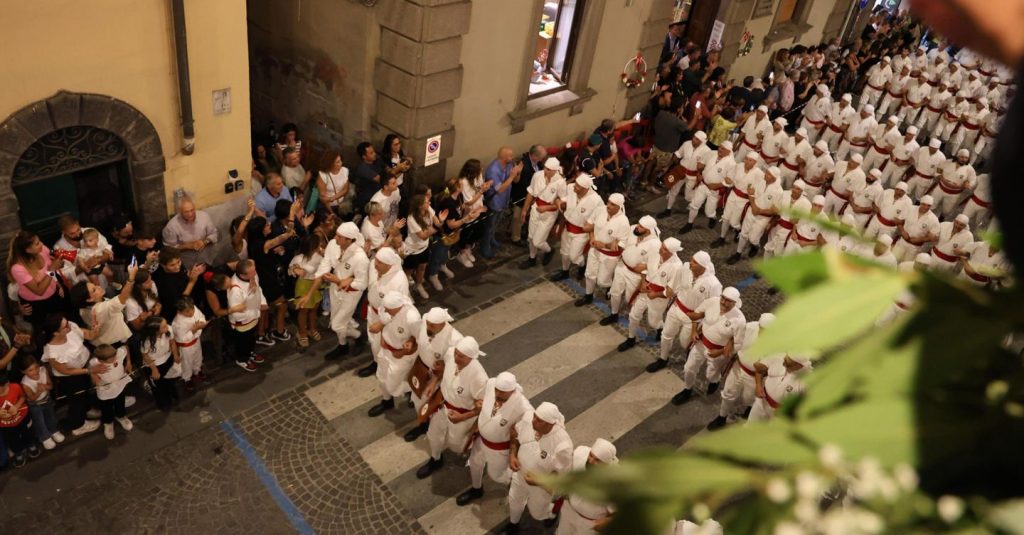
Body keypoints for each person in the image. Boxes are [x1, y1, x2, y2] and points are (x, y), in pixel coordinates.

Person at [456, 371, 532, 506]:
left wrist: (513, 455)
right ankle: (476, 489)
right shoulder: (491, 384)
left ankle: (515, 482)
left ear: (512, 391)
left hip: (498, 449)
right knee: (474, 462)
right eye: (497, 390)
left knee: (497, 475)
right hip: (481, 440)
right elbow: (480, 398)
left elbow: (523, 436)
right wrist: (477, 403)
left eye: (502, 393)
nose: (497, 394)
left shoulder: (523, 408)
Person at [417, 336, 488, 479]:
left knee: (457, 445)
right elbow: (443, 369)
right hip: (442, 406)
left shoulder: (479, 378)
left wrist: (462, 417)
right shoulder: (450, 354)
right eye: (456, 353)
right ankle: (435, 459)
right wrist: (433, 382)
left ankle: (476, 451)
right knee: (434, 434)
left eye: (461, 356)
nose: (456, 357)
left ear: (471, 358)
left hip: (462, 415)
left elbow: (482, 407)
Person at [504, 401, 573, 533]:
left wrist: (537, 481)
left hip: (540, 486)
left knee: (537, 513)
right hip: (520, 474)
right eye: (535, 416)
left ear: (550, 424)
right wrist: (512, 456)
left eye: (539, 420)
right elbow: (515, 438)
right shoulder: (528, 420)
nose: (533, 421)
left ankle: (552, 512)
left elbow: (561, 477)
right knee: (514, 499)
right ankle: (513, 524)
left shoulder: (563, 446)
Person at [670, 287, 746, 405]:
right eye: (723, 298)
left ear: (735, 303)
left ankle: (715, 380)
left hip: (717, 352)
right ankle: (687, 389)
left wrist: (720, 352)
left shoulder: (740, 320)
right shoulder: (712, 302)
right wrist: (694, 331)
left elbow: (738, 344)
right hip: (700, 344)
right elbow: (697, 315)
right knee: (688, 368)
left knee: (711, 375)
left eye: (728, 301)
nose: (723, 302)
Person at [648, 251, 721, 373]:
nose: (690, 263)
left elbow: (713, 308)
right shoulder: (685, 268)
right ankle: (663, 359)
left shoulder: (713, 284)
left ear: (702, 267)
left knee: (685, 342)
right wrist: (667, 290)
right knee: (666, 335)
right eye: (692, 260)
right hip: (677, 308)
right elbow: (674, 283)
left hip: (692, 318)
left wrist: (700, 322)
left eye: (694, 262)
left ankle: (689, 358)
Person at [708, 312, 776, 430]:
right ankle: (721, 417)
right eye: (761, 329)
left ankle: (749, 409)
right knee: (728, 393)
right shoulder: (750, 327)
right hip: (738, 368)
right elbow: (735, 335)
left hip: (755, 377)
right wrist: (729, 344)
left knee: (748, 398)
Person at [404, 307, 463, 442]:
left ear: (443, 323)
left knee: (433, 407)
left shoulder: (455, 340)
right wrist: (411, 341)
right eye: (428, 323)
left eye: (432, 325)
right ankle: (422, 424)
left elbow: (457, 368)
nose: (428, 327)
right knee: (417, 400)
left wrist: (435, 381)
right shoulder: (425, 323)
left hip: (440, 378)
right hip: (421, 369)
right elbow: (417, 334)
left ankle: (432, 429)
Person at [618, 237, 684, 352]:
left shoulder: (677, 267)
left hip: (659, 298)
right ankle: (630, 338)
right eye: (662, 246)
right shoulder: (655, 254)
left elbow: (671, 291)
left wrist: (656, 295)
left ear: (671, 252)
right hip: (645, 291)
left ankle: (660, 327)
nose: (660, 249)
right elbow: (645, 268)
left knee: (653, 323)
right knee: (633, 315)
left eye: (664, 249)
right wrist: (643, 282)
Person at [41, 314, 100, 436]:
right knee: (76, 401)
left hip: (84, 368)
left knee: (85, 392)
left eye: (67, 322)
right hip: (71, 378)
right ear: (55, 333)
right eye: (65, 326)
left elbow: (89, 335)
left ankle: (87, 410)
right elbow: (65, 371)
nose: (69, 326)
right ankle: (78, 425)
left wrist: (95, 330)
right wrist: (88, 371)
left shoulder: (71, 327)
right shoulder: (52, 352)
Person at [367, 291, 422, 417]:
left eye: (388, 309)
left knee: (392, 386)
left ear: (398, 307)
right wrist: (382, 338)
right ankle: (387, 402)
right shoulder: (386, 307)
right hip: (385, 349)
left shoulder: (412, 317)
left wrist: (402, 351)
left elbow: (419, 338)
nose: (385, 310)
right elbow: (383, 323)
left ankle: (415, 391)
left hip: (402, 356)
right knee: (381, 378)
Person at [358, 247, 409, 378]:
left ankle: (384, 367)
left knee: (382, 344)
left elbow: (398, 307)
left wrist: (381, 323)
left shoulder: (399, 281)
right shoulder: (374, 265)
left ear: (389, 264)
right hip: (372, 311)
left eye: (379, 263)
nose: (375, 264)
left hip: (388, 318)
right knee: (373, 341)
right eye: (376, 260)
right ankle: (376, 362)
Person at [601, 215, 660, 327]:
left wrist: (646, 268)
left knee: (630, 298)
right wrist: (616, 241)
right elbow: (623, 238)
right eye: (638, 224)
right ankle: (613, 314)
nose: (637, 227)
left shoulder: (655, 245)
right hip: (622, 266)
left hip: (635, 275)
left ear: (648, 230)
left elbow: (654, 265)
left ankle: (635, 316)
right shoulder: (633, 229)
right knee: (615, 292)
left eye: (641, 227)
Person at [246, 215, 296, 345]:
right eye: (266, 225)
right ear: (261, 230)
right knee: (282, 304)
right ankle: (279, 331)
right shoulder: (263, 244)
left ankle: (262, 334)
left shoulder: (254, 243)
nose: (270, 225)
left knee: (265, 308)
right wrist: (291, 217)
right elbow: (282, 238)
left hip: (262, 278)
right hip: (268, 280)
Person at [68, 259, 138, 349]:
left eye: (94, 285)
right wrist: (131, 277)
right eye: (94, 290)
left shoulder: (82, 309)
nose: (98, 286)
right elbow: (123, 298)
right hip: (113, 341)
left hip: (102, 338)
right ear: (89, 299)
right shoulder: (101, 309)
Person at [7, 231, 66, 337]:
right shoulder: (18, 268)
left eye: (40, 241)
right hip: (36, 305)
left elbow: (51, 270)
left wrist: (58, 284)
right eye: (37, 243)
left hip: (53, 295)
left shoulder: (43, 250)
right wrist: (52, 269)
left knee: (59, 323)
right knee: (43, 332)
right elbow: (39, 291)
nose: (42, 244)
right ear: (28, 250)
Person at [576, 193, 630, 307]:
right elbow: (590, 225)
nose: (608, 205)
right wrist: (592, 238)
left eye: (612, 204)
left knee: (602, 281)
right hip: (594, 249)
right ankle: (588, 296)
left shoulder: (623, 222)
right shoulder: (600, 210)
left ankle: (610, 286)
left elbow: (620, 246)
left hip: (609, 256)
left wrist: (604, 245)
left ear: (619, 207)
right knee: (589, 274)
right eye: (608, 202)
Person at [555, 439, 618, 534]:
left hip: (589, 523)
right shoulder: (580, 454)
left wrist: (606, 522)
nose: (591, 461)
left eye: (597, 460)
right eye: (591, 455)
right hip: (568, 510)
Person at [519, 157, 567, 269]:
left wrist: (547, 207)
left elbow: (563, 204)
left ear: (555, 170)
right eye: (545, 168)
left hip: (549, 214)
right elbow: (530, 193)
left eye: (549, 169)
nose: (545, 171)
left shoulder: (560, 183)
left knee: (538, 242)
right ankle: (532, 258)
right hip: (536, 208)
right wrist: (525, 210)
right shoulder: (537, 175)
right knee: (531, 237)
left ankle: (549, 251)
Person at [731, 165, 785, 262]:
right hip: (752, 210)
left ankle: (755, 246)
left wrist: (760, 211)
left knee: (753, 238)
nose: (765, 175)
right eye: (766, 172)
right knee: (743, 233)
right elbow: (750, 192)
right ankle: (738, 253)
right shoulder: (760, 180)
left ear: (774, 178)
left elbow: (775, 210)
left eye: (768, 174)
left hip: (764, 217)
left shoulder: (779, 191)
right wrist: (754, 206)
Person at [681, 142, 736, 234]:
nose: (720, 149)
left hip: (714, 190)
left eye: (723, 149)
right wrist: (699, 174)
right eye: (720, 147)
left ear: (728, 151)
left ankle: (712, 217)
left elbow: (730, 182)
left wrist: (717, 185)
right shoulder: (712, 153)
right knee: (694, 205)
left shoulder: (732, 164)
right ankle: (689, 224)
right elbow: (701, 164)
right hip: (703, 185)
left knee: (708, 211)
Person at [481, 147, 524, 260]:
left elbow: (516, 181)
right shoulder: (493, 170)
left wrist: (518, 173)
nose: (513, 157)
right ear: (504, 157)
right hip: (494, 203)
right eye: (510, 155)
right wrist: (512, 176)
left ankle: (492, 239)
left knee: (496, 223)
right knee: (490, 226)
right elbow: (499, 189)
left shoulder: (509, 165)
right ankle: (485, 245)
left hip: (504, 200)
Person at [226, 259, 268, 372]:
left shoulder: (252, 274)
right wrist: (257, 311)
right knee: (242, 342)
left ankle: (250, 352)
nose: (255, 274)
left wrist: (262, 302)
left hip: (254, 317)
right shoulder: (235, 290)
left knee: (251, 338)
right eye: (252, 273)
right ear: (242, 275)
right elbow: (237, 315)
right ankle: (242, 359)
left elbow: (258, 289)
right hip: (243, 322)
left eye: (254, 271)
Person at [715, 152, 763, 248]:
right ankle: (722, 238)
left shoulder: (759, 174)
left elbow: (760, 189)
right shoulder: (739, 166)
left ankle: (738, 229)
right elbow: (731, 178)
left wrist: (754, 192)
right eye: (746, 159)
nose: (747, 162)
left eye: (750, 160)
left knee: (733, 222)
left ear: (755, 162)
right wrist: (729, 181)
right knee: (726, 217)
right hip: (733, 194)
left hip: (744, 200)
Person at [404, 191, 446, 299]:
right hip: (412, 249)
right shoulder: (411, 219)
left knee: (422, 267)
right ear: (419, 206)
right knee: (408, 272)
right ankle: (405, 291)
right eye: (427, 202)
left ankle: (418, 285)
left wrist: (440, 221)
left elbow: (437, 223)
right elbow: (423, 236)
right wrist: (435, 227)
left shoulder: (428, 209)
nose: (429, 203)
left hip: (424, 247)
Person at [660, 131, 711, 219]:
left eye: (696, 139)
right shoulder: (686, 143)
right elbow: (678, 154)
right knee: (673, 191)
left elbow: (707, 165)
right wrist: (673, 162)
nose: (693, 140)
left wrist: (702, 175)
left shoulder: (707, 151)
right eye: (694, 137)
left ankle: (697, 201)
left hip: (693, 176)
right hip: (681, 171)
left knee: (688, 196)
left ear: (701, 141)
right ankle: (668, 209)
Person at [89, 344, 133, 440]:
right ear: (101, 360)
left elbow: (126, 347)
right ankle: (108, 422)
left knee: (120, 401)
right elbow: (93, 375)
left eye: (114, 356)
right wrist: (96, 378)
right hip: (106, 391)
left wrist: (128, 362)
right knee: (106, 407)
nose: (115, 358)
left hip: (119, 386)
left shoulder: (118, 354)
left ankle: (121, 416)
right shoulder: (94, 363)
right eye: (111, 359)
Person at [19, 355, 64, 450]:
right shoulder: (25, 383)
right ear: (23, 372)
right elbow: (31, 398)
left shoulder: (43, 370)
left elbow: (51, 386)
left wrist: (46, 386)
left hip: (47, 399)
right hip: (35, 405)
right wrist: (39, 391)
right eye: (30, 370)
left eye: (36, 367)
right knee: (40, 422)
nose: (35, 371)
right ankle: (44, 437)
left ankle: (53, 430)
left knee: (51, 417)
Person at [749, 356, 812, 422]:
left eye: (787, 364)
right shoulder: (778, 359)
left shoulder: (808, 380)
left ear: (798, 365)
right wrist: (758, 385)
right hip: (761, 403)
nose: (783, 364)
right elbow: (759, 371)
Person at [161, 195, 219, 267]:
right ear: (180, 211)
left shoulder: (204, 216)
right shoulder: (171, 226)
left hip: (206, 259)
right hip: (186, 263)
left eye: (192, 210)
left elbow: (214, 234)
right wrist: (186, 246)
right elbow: (169, 249)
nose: (190, 214)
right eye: (186, 212)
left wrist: (204, 242)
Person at [151, 248, 206, 322]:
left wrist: (193, 272)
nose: (177, 266)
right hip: (179, 314)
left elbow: (183, 275)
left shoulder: (178, 267)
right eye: (172, 265)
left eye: (178, 261)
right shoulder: (164, 282)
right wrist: (192, 282)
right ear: (163, 265)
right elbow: (180, 302)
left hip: (192, 299)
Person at [0, 371, 37, 467]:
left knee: (28, 432)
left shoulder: (15, 387)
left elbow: (23, 397)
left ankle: (31, 445)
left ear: (7, 383)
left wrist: (16, 406)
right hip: (6, 425)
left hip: (23, 417)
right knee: (12, 439)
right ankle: (18, 452)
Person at [171, 296, 207, 392]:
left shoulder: (193, 308)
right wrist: (193, 330)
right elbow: (182, 338)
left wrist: (202, 323)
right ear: (180, 312)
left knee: (198, 357)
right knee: (187, 363)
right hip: (186, 346)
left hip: (196, 340)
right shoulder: (177, 323)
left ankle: (197, 370)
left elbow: (201, 316)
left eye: (192, 309)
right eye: (187, 311)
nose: (191, 313)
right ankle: (187, 378)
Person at [892, 196, 940, 261]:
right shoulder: (910, 209)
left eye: (928, 205)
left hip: (915, 247)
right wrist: (902, 231)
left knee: (906, 264)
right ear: (920, 203)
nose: (925, 207)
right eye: (923, 204)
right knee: (893, 259)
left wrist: (919, 239)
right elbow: (898, 221)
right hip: (902, 242)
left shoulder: (933, 219)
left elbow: (934, 238)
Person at [315, 150, 351, 218]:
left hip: (341, 203)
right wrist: (331, 212)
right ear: (330, 163)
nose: (341, 163)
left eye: (340, 160)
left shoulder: (344, 170)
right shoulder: (323, 175)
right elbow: (323, 199)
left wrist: (332, 198)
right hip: (328, 206)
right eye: (337, 162)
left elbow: (346, 189)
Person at [354, 141, 383, 215]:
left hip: (378, 197)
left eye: (374, 151)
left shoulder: (377, 161)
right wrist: (398, 169)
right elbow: (381, 179)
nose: (374, 154)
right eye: (371, 153)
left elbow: (387, 170)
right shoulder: (362, 168)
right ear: (364, 156)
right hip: (368, 202)